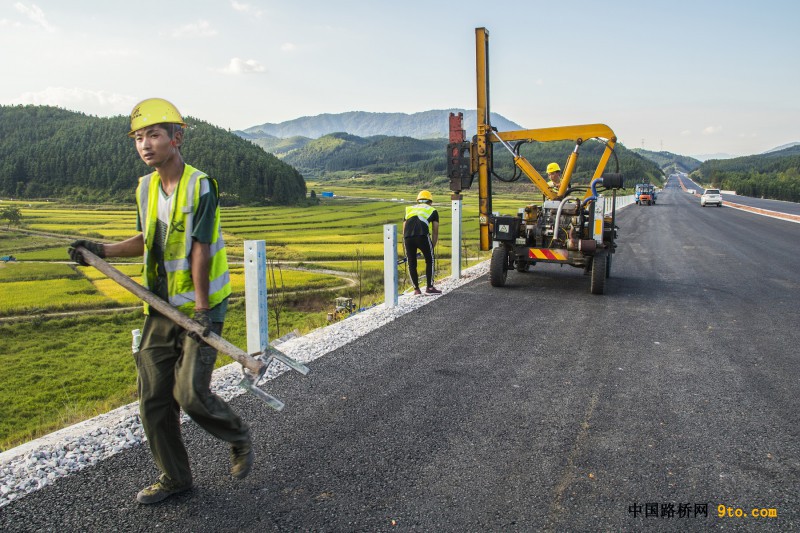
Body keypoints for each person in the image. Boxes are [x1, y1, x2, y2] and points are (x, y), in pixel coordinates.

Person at [68, 98, 252, 505]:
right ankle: (175, 478)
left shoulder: (200, 185)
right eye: (138, 137)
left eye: (153, 134)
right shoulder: (144, 187)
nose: (145, 144)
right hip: (159, 307)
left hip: (201, 307)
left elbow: (200, 249)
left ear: (176, 138)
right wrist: (100, 249)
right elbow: (145, 240)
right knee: (153, 399)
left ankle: (237, 434)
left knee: (189, 393)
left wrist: (202, 310)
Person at [403, 190, 441, 295]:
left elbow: (404, 228)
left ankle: (416, 290)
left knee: (411, 263)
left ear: (418, 201)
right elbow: (435, 231)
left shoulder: (409, 209)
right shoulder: (433, 210)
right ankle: (430, 288)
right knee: (430, 260)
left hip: (407, 237)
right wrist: (431, 246)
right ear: (430, 201)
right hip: (422, 235)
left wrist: (406, 240)